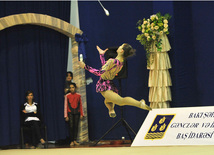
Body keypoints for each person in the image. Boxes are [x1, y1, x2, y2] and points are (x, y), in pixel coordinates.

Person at [78, 43, 152, 118]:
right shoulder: (121, 62)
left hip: (104, 84)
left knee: (120, 101)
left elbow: (99, 72)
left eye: (120, 46)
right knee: (108, 100)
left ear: (122, 51)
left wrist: (85, 66)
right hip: (108, 83)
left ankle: (139, 104)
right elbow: (105, 68)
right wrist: (102, 55)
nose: (119, 47)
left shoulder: (112, 61)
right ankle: (111, 110)